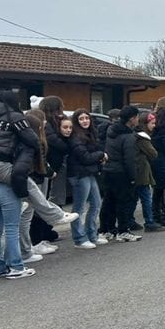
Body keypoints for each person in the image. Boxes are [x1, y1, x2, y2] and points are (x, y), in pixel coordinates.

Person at [101, 106, 142, 242]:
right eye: (137, 117)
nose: (138, 120)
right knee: (123, 202)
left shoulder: (111, 130)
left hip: (108, 170)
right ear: (132, 119)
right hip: (121, 172)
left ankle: (106, 229)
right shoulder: (129, 136)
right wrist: (133, 177)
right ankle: (123, 231)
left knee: (108, 201)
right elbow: (129, 159)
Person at [68, 109, 107, 249]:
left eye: (87, 118)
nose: (85, 121)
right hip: (79, 174)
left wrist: (99, 156)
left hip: (89, 172)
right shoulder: (75, 137)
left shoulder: (90, 133)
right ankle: (79, 239)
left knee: (96, 203)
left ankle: (92, 234)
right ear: (76, 121)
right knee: (78, 208)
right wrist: (100, 155)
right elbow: (84, 157)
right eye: (81, 119)